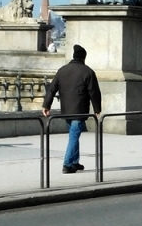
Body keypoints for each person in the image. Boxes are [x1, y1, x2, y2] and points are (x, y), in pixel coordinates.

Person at [42, 44, 101, 173]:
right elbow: (94, 92)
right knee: (74, 136)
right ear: (83, 58)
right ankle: (67, 164)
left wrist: (46, 105)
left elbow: (51, 89)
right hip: (79, 111)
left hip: (66, 111)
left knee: (74, 135)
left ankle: (74, 162)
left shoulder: (62, 70)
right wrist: (97, 109)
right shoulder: (88, 72)